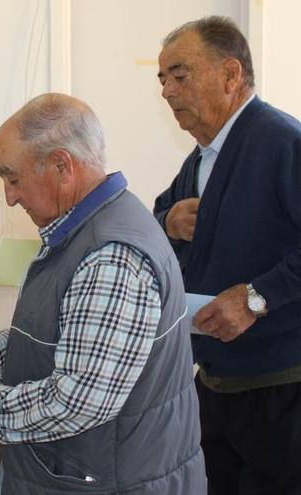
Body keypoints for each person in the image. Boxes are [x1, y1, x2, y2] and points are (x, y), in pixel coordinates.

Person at [0, 93, 205, 494]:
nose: (9, 196)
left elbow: (80, 400)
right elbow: (72, 334)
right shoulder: (88, 226)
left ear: (62, 165)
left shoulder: (111, 257)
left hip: (111, 479)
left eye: (13, 178)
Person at [154, 16, 301, 493]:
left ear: (231, 75)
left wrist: (257, 298)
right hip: (216, 377)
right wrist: (169, 220)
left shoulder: (283, 142)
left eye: (180, 75)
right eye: (162, 80)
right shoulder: (201, 157)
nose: (167, 92)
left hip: (280, 382)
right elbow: (158, 217)